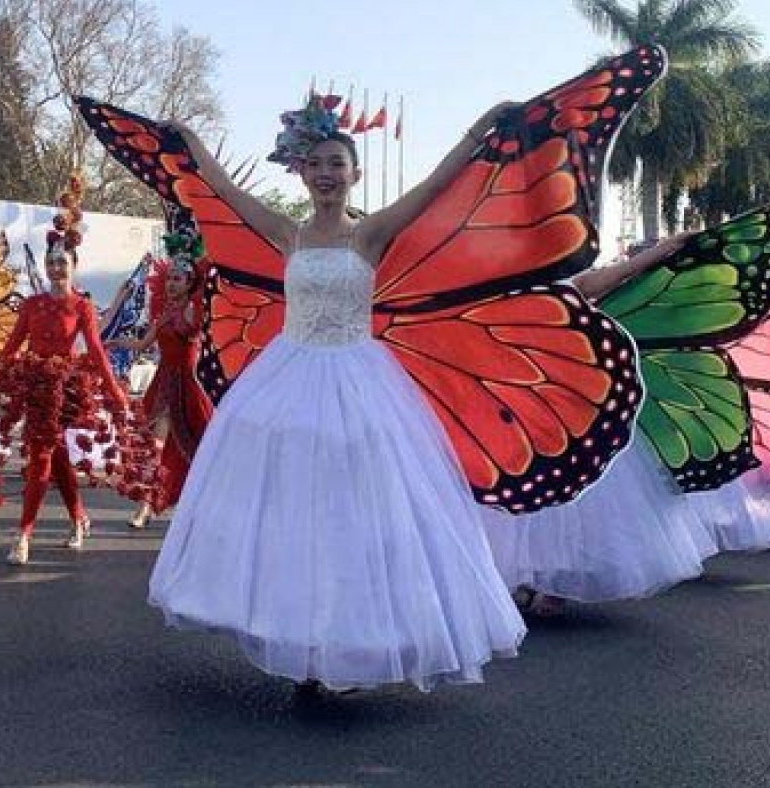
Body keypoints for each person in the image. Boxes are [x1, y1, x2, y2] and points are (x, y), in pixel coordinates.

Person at [145, 102, 527, 692]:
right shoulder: (286, 233)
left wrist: (478, 131)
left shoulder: (368, 234)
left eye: (337, 164)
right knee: (294, 519)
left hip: (359, 386)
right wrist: (192, 143)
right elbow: (220, 191)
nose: (326, 173)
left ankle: (346, 643)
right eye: (317, 163)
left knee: (353, 520)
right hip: (288, 382)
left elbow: (433, 186)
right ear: (302, 172)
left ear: (354, 174)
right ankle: (299, 640)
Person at [478, 236, 719, 615]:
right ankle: (519, 578)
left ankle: (551, 580)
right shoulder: (488, 284)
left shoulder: (558, 282)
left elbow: (611, 276)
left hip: (565, 395)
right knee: (518, 490)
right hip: (509, 397)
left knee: (569, 492)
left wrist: (661, 251)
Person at [0, 178, 147, 565]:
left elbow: (96, 352)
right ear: (46, 266)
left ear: (74, 267)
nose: (57, 267)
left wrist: (116, 393)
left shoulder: (83, 307)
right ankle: (76, 518)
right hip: (34, 388)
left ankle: (25, 535)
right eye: (52, 262)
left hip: (66, 391)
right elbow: (11, 347)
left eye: (63, 262)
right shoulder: (33, 305)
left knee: (44, 458)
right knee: (51, 458)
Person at [109, 237, 213, 529]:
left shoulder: (194, 311)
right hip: (164, 382)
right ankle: (146, 505)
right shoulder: (164, 313)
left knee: (198, 448)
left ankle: (197, 503)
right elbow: (143, 343)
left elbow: (207, 333)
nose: (171, 284)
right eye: (169, 279)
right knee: (157, 445)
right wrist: (118, 341)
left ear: (190, 282)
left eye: (178, 279)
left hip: (190, 386)